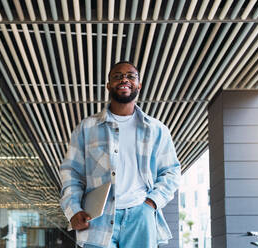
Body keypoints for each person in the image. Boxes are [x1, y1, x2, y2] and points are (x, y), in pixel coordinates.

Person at [60, 61, 181, 248]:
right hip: (97, 218)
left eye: (131, 76)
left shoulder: (156, 129)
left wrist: (151, 204)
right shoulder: (87, 127)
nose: (124, 79)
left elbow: (171, 172)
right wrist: (73, 210)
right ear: (108, 85)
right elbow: (71, 173)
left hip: (141, 216)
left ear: (139, 85)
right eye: (117, 76)